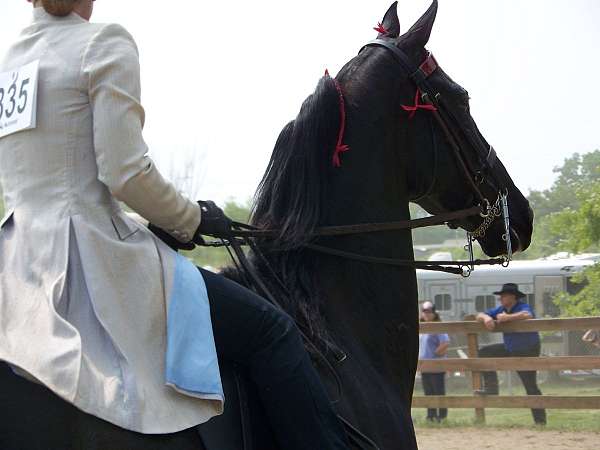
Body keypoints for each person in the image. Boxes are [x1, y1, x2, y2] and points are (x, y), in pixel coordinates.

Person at [0, 1, 350, 448]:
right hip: (91, 257)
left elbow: (53, 182)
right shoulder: (102, 42)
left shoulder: (9, 61)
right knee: (272, 332)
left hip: (18, 265)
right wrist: (193, 218)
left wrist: (148, 223)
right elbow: (125, 173)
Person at [476, 283, 547, 425]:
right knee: (484, 353)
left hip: (527, 351)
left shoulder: (521, 307)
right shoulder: (501, 309)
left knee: (530, 385)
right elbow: (479, 314)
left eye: (503, 296)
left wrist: (507, 318)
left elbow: (527, 315)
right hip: (511, 348)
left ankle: (540, 421)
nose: (500, 299)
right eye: (500, 296)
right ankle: (491, 388)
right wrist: (486, 318)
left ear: (512, 297)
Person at [418, 301, 449, 422]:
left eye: (429, 311)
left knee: (438, 391)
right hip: (424, 365)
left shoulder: (437, 326)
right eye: (424, 311)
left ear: (434, 313)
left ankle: (441, 416)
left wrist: (436, 353)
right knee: (428, 391)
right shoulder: (422, 326)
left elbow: (445, 342)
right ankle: (430, 415)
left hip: (436, 365)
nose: (426, 313)